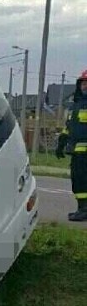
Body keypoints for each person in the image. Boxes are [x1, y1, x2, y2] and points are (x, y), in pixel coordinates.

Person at [56, 70, 87, 221]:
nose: (85, 86)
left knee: (83, 179)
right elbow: (69, 126)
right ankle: (82, 208)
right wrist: (62, 141)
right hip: (76, 151)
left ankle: (85, 209)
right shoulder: (75, 105)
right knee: (78, 179)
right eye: (83, 83)